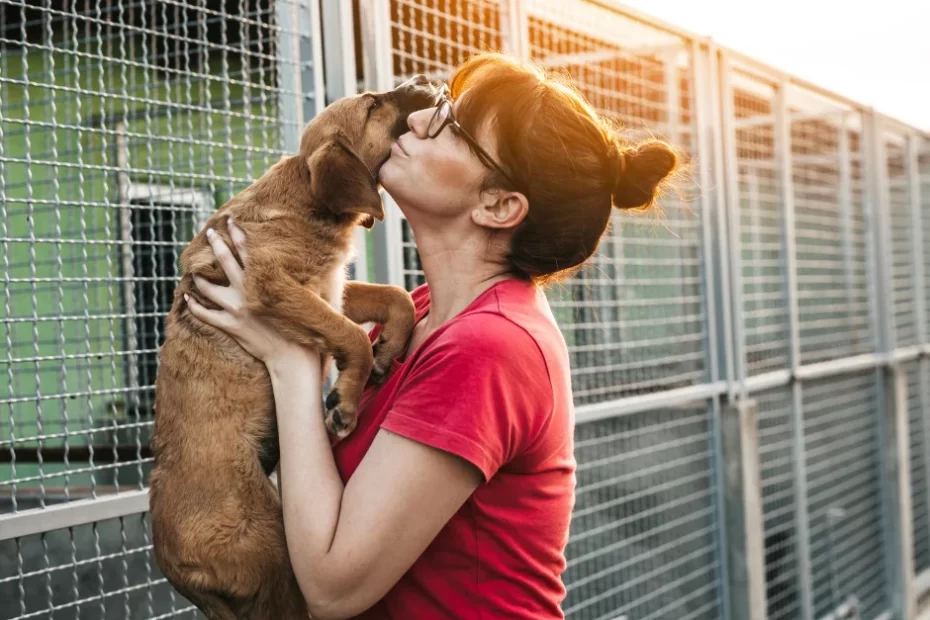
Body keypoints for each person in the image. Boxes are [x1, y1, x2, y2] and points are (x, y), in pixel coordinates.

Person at [184, 52, 678, 619]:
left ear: (499, 205)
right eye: (443, 105)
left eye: (452, 126)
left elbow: (333, 588)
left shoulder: (488, 348)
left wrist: (288, 359)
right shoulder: (420, 313)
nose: (418, 119)